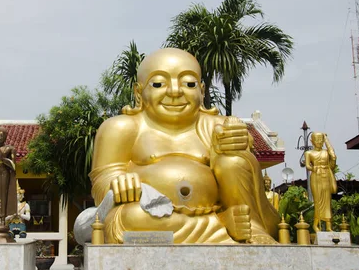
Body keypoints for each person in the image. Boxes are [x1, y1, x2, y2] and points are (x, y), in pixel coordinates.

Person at [86, 48, 279, 244]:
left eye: (189, 83)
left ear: (201, 91)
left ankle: (252, 229)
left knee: (233, 158)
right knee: (129, 218)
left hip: (212, 208)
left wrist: (239, 144)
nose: (175, 91)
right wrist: (118, 182)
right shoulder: (121, 127)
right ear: (139, 92)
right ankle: (222, 227)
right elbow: (102, 183)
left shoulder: (215, 126)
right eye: (158, 83)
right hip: (150, 215)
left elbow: (244, 167)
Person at [305, 132, 337, 232]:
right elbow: (307, 166)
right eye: (317, 139)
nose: (319, 142)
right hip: (316, 176)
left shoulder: (326, 152)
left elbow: (333, 156)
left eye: (320, 139)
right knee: (318, 201)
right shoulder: (308, 153)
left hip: (326, 175)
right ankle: (315, 225)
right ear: (312, 141)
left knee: (327, 202)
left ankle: (328, 226)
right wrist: (313, 168)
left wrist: (326, 139)